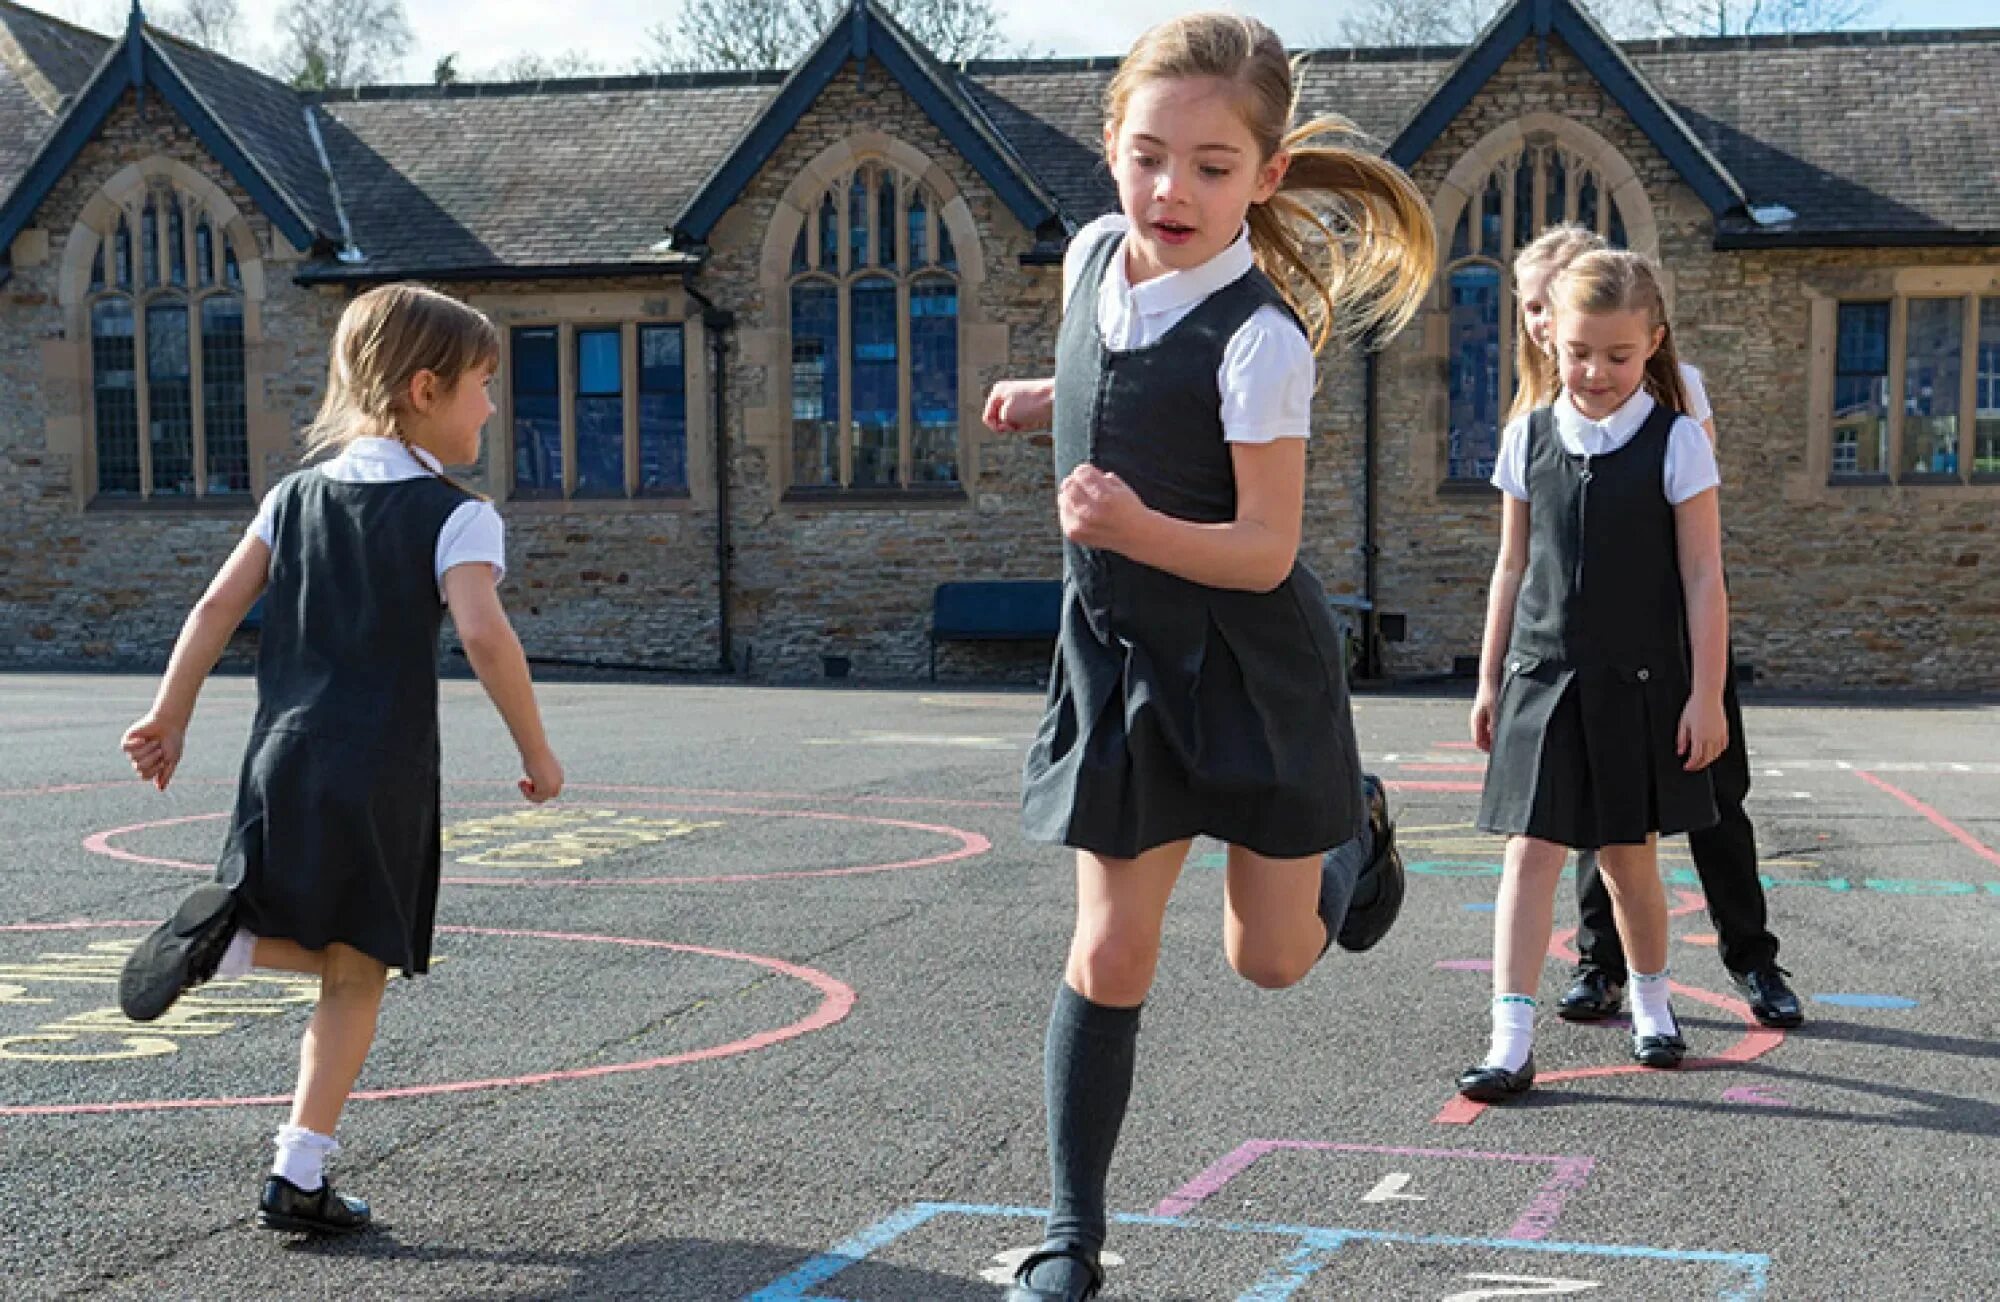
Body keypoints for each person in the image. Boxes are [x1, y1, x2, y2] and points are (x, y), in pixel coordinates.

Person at [980, 12, 1434, 1298]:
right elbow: (1109, 366)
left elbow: (1263, 550)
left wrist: (1130, 522)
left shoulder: (1263, 340)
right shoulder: (1084, 259)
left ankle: (1350, 825)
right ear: (1110, 146)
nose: (1172, 189)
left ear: (1268, 174)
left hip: (1245, 661)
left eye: (1212, 166)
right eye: (1146, 155)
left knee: (1270, 958)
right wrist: (1039, 395)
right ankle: (1070, 1238)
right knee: (1110, 947)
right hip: (1118, 658)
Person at [116, 283, 564, 1234]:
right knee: (361, 968)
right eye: (483, 385)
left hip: (277, 755)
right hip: (380, 767)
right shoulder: (460, 515)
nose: (492, 405)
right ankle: (235, 972)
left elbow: (213, 610)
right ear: (424, 387)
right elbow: (486, 637)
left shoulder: (293, 496)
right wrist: (538, 752)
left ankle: (298, 1172)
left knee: (343, 957)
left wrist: (169, 716)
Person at [1509, 226, 1803, 1031]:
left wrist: (1700, 684)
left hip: (1673, 637)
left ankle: (1753, 958)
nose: (1540, 321)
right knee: (1594, 818)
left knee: (1714, 797)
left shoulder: (1669, 400)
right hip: (1582, 649)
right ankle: (1601, 964)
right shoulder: (1537, 413)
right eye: (1531, 306)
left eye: (1551, 300)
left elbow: (1692, 545)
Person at [1460, 248, 1729, 1103]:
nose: (1595, 371)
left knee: (1625, 865)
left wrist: (1707, 692)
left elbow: (1702, 575)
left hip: (1639, 684)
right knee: (1528, 855)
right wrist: (1490, 678)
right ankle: (1510, 1039)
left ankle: (1652, 1004)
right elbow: (1510, 567)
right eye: (1578, 352)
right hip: (1541, 676)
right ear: (1551, 342)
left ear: (1653, 342)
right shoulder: (1528, 433)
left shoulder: (1678, 440)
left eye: (1617, 355)